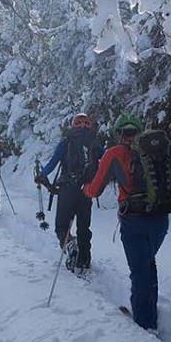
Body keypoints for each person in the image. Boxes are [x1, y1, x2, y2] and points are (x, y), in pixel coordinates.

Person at [82, 113, 171, 333]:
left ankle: (146, 325)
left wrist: (85, 189)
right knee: (148, 264)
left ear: (118, 133)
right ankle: (149, 312)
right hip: (160, 220)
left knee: (140, 271)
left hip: (133, 220)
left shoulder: (114, 153)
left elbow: (96, 189)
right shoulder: (160, 152)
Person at [35, 113, 104, 273]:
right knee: (84, 226)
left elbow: (53, 162)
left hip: (67, 189)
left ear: (73, 126)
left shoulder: (66, 143)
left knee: (61, 225)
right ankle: (84, 261)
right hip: (87, 190)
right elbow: (107, 160)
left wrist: (42, 175)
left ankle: (70, 244)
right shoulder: (94, 144)